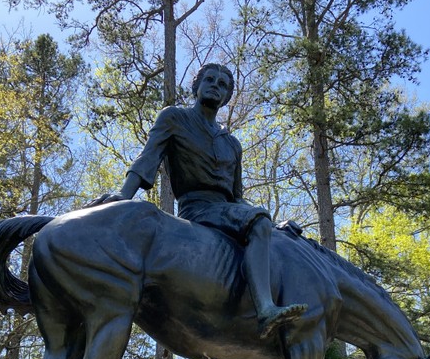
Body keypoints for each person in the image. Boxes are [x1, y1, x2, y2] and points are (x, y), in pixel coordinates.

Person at [93, 63, 307, 338]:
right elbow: (147, 157)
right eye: (209, 80)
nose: (215, 86)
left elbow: (237, 196)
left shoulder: (232, 144)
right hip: (196, 208)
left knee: (261, 221)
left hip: (226, 209)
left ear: (226, 97)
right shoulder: (174, 118)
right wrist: (124, 195)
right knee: (258, 220)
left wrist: (272, 224)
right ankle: (265, 309)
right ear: (196, 86)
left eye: (222, 85)